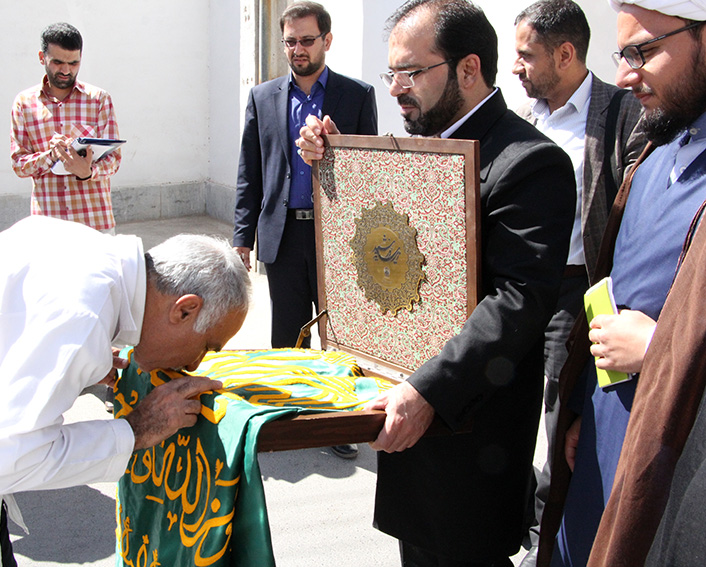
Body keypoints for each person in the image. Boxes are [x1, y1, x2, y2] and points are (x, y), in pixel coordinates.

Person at [299, 0, 575, 564]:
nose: (396, 88)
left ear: (468, 69)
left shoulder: (529, 161)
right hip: (411, 418)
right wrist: (336, 160)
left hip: (471, 436)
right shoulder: (422, 149)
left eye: (411, 72)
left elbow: (519, 300)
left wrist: (428, 390)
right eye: (391, 73)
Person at [0, 215, 250, 567]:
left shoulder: (85, 254)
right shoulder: (81, 311)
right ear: (184, 309)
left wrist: (78, 362)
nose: (195, 364)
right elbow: (5, 462)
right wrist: (137, 429)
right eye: (207, 346)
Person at [536, 1, 706, 565]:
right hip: (602, 445)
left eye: (644, 52)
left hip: (675, 474)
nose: (626, 75)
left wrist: (658, 349)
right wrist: (584, 412)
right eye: (622, 54)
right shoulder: (656, 150)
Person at [509, 1, 646, 560]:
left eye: (526, 55)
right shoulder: (525, 117)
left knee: (561, 420)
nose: (515, 66)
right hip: (520, 288)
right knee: (507, 409)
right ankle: (514, 521)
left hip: (575, 293)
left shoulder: (622, 113)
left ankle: (548, 540)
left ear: (565, 54)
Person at [233, 0, 377, 460]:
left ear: (327, 41)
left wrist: (336, 148)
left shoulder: (357, 95)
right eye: (290, 41)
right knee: (288, 331)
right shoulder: (263, 97)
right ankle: (288, 412)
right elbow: (250, 172)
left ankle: (338, 421)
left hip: (336, 237)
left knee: (339, 333)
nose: (298, 49)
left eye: (307, 40)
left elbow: (369, 170)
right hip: (283, 234)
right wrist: (242, 238)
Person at [11, 22, 121, 234]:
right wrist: (52, 156)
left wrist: (88, 172)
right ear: (42, 57)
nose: (66, 70)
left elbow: (114, 159)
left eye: (73, 63)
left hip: (95, 224)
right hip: (48, 227)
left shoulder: (98, 100)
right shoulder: (24, 104)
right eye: (58, 62)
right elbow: (19, 164)